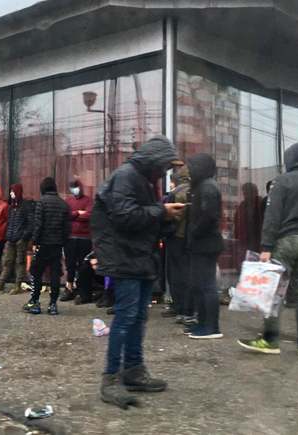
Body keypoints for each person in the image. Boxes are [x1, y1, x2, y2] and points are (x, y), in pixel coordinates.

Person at [90, 135, 184, 409]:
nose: (165, 172)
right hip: (124, 257)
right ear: (154, 161)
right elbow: (125, 217)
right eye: (165, 166)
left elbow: (144, 219)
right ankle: (110, 379)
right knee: (126, 317)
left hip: (139, 257)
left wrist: (168, 218)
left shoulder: (144, 180)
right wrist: (161, 211)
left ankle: (133, 370)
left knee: (138, 316)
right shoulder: (127, 176)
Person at [238, 141, 298, 357]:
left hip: (285, 242)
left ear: (290, 159)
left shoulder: (282, 182)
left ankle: (270, 340)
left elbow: (272, 217)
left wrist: (266, 246)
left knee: (274, 292)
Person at [184, 154, 224, 339]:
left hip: (206, 243)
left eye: (192, 166)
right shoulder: (202, 186)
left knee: (206, 286)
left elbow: (209, 216)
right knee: (199, 285)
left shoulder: (207, 187)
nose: (189, 170)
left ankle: (211, 327)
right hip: (201, 243)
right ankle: (202, 323)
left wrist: (194, 231)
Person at [23, 177, 71, 315]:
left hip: (43, 244)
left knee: (36, 272)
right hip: (57, 245)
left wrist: (34, 242)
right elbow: (67, 228)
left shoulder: (41, 203)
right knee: (55, 274)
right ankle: (53, 305)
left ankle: (35, 302)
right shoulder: (63, 204)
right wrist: (62, 242)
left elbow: (38, 225)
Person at [0, 184, 33, 295]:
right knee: (7, 262)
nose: (11, 193)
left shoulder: (25, 206)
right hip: (10, 239)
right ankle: (0, 284)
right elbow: (8, 222)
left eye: (13, 191)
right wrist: (8, 235)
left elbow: (31, 223)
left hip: (20, 240)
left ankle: (17, 285)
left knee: (20, 262)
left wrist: (23, 237)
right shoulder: (11, 207)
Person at [163, 165, 195, 325]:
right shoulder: (196, 191)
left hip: (176, 237)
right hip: (191, 239)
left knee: (175, 274)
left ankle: (179, 307)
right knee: (187, 273)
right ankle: (187, 308)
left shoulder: (176, 193)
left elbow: (171, 217)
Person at [61, 180, 93, 301]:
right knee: (70, 265)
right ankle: (69, 289)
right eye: (72, 187)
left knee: (83, 266)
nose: (75, 189)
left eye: (76, 187)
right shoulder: (68, 201)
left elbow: (89, 215)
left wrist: (73, 215)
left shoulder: (88, 200)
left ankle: (82, 291)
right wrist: (78, 212)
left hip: (85, 238)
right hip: (70, 238)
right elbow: (65, 216)